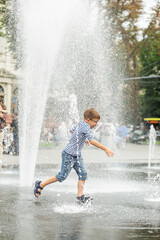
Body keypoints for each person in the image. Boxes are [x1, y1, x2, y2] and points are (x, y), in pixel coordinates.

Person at [34, 108, 114, 203]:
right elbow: (92, 141)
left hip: (77, 155)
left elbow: (72, 131)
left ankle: (80, 196)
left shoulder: (81, 123)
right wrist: (105, 149)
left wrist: (83, 138)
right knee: (62, 176)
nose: (96, 124)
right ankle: (40, 184)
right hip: (69, 155)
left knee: (83, 174)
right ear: (88, 119)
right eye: (95, 122)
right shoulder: (86, 127)